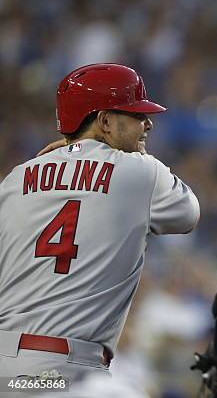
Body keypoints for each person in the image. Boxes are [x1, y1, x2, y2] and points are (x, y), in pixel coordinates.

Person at [0, 63, 200, 383]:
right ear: (105, 121)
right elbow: (188, 214)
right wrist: (139, 157)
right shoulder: (140, 171)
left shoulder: (14, 179)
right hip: (66, 368)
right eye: (135, 115)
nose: (147, 123)